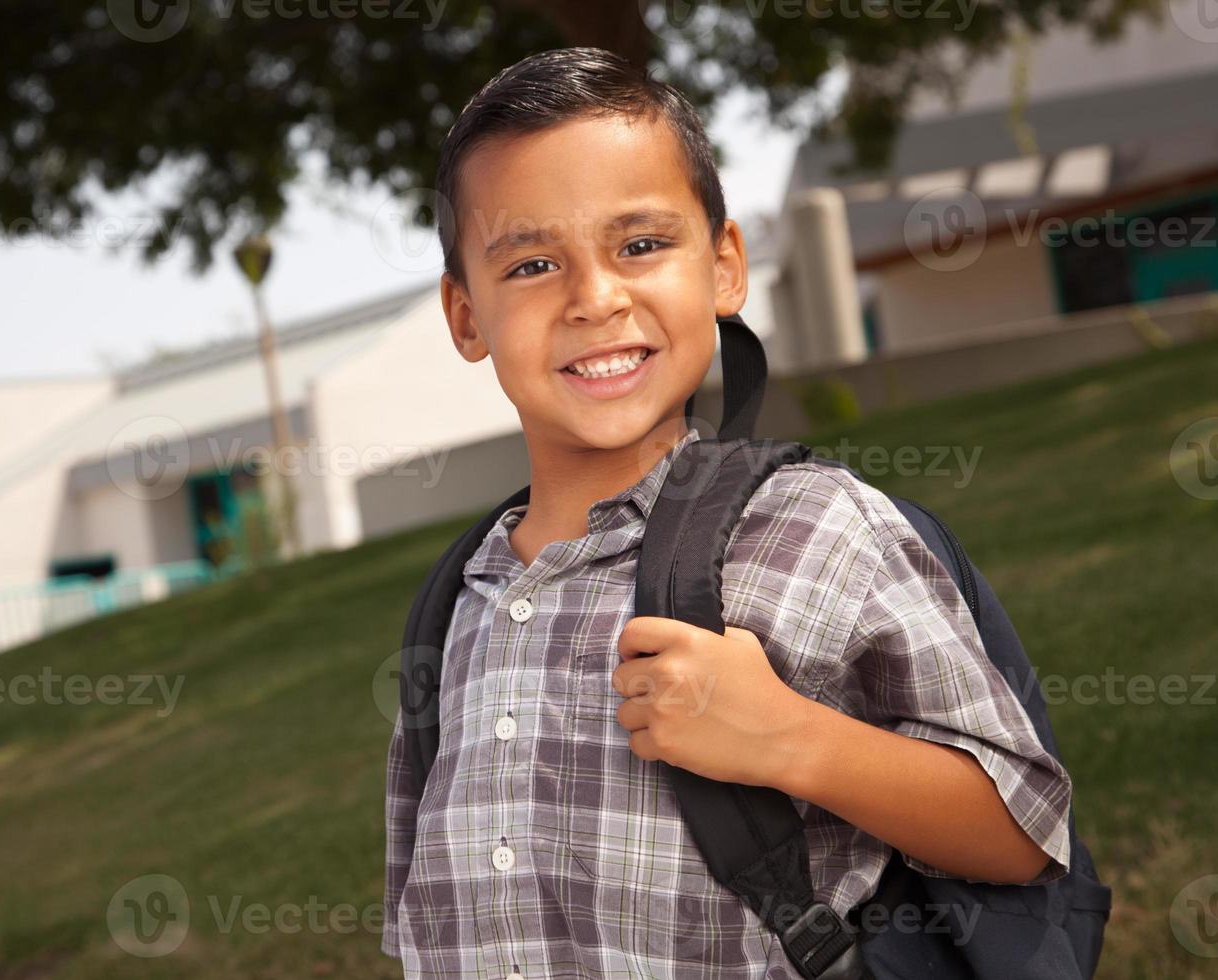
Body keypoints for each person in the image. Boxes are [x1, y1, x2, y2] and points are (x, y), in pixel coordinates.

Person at [382, 47, 1071, 978]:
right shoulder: (458, 599)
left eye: (639, 245)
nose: (595, 298)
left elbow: (1022, 828)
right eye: (534, 263)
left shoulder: (816, 525)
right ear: (466, 317)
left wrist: (790, 737)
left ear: (724, 267)